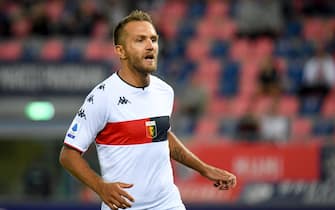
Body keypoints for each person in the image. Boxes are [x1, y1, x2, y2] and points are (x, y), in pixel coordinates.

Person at [59, 10, 236, 210]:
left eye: (153, 39)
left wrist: (204, 169)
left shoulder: (164, 91)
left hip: (168, 204)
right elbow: (68, 155)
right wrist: (101, 187)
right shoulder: (102, 97)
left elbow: (161, 136)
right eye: (140, 40)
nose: (150, 46)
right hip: (124, 207)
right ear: (121, 51)